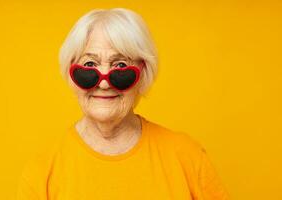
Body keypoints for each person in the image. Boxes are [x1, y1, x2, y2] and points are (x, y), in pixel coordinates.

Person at [16, 8, 230, 200]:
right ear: (72, 75)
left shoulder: (187, 158)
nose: (104, 82)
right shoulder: (42, 172)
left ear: (143, 72)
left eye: (120, 65)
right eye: (90, 65)